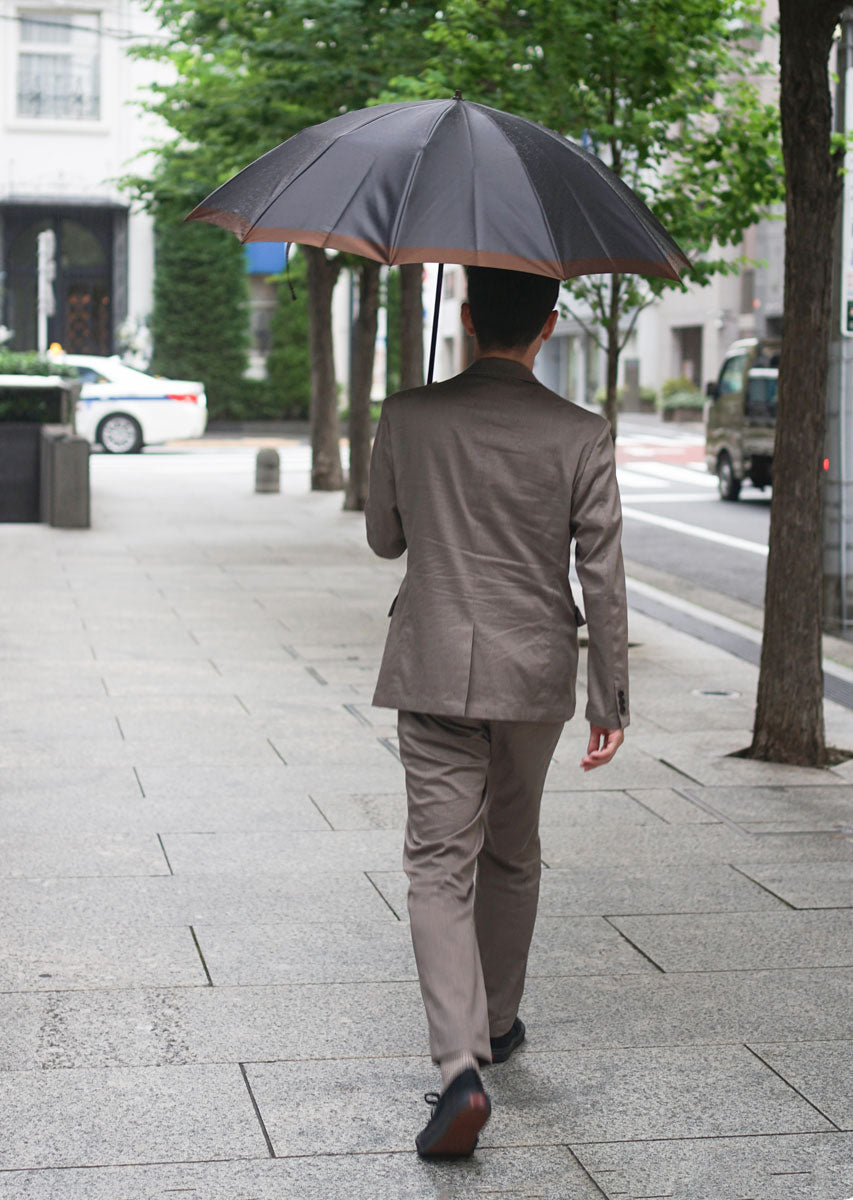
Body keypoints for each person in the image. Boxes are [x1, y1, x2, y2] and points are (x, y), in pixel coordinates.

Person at [365, 266, 628, 1158]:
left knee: (438, 865)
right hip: (535, 672)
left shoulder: (407, 414)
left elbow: (383, 537)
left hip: (433, 661)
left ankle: (459, 1070)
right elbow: (601, 570)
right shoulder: (582, 433)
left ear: (467, 317)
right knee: (513, 849)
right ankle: (502, 1021)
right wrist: (610, 695)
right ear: (548, 327)